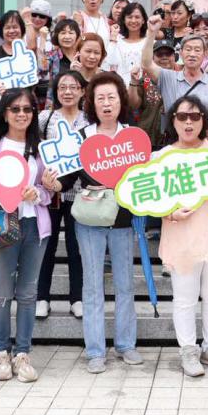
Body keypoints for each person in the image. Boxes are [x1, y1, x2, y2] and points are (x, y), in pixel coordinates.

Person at [0, 88, 59, 382]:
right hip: (1, 225)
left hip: (34, 226)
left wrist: (40, 192)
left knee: (28, 293)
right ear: (4, 112)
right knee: (2, 293)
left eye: (28, 110)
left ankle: (22, 353)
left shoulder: (40, 147)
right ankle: (1, 354)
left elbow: (48, 190)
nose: (22, 114)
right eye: (15, 109)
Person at [157, 95, 208, 376]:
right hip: (182, 238)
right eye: (182, 117)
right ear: (173, 121)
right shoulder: (163, 156)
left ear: (204, 120)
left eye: (194, 116)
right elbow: (152, 199)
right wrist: (169, 213)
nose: (188, 122)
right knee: (185, 298)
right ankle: (189, 351)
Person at [71, 73, 142, 373]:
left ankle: (126, 344)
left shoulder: (132, 135)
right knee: (92, 285)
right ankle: (96, 350)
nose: (106, 103)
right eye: (100, 98)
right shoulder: (82, 136)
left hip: (124, 217)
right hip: (90, 217)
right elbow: (67, 177)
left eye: (111, 97)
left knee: (125, 283)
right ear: (92, 103)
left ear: (121, 100)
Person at [36, 71, 89, 319]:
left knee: (76, 247)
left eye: (73, 87)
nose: (67, 92)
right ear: (56, 92)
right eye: (62, 88)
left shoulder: (89, 120)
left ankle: (76, 298)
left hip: (81, 192)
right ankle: (42, 297)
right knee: (46, 245)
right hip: (51, 193)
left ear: (82, 91)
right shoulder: (45, 118)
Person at [141, 15, 208, 133]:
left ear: (205, 53)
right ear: (181, 53)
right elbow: (146, 64)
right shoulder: (168, 78)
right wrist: (151, 33)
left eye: (197, 50)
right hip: (176, 143)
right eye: (188, 49)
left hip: (207, 144)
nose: (192, 54)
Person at [128, 40, 176, 149]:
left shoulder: (182, 78)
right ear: (152, 58)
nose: (164, 57)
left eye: (168, 54)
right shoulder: (144, 80)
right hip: (148, 138)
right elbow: (133, 105)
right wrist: (133, 82)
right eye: (159, 54)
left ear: (174, 56)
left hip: (176, 140)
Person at [104, 2, 149, 84]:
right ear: (124, 20)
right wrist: (113, 38)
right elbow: (110, 62)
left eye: (137, 17)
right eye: (130, 17)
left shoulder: (149, 42)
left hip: (144, 89)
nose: (133, 20)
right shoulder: (117, 41)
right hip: (121, 89)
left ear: (143, 20)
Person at [43, 19, 83, 105]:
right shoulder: (51, 56)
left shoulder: (83, 57)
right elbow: (41, 70)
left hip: (80, 105)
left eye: (71, 33)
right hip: (56, 105)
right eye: (63, 33)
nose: (67, 36)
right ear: (57, 36)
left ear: (77, 36)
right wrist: (42, 40)